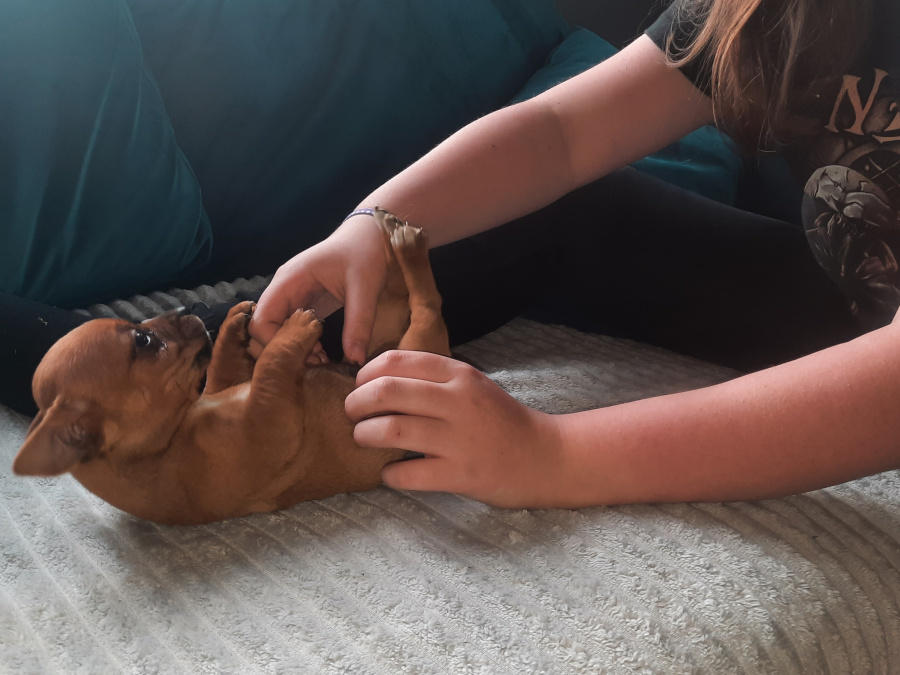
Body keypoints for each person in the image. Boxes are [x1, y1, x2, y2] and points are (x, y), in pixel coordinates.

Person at [248, 0, 900, 508]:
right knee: (563, 207)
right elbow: (562, 135)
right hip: (848, 300)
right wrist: (376, 221)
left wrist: (553, 453)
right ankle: (219, 362)